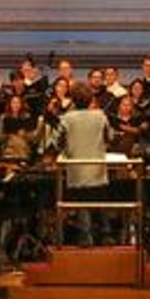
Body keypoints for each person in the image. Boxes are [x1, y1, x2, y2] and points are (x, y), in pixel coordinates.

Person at [57, 84, 111, 246]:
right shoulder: (100, 116)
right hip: (97, 167)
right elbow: (110, 137)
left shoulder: (67, 118)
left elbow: (57, 141)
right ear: (90, 100)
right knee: (100, 201)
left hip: (77, 168)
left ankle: (86, 237)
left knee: (82, 203)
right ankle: (106, 234)